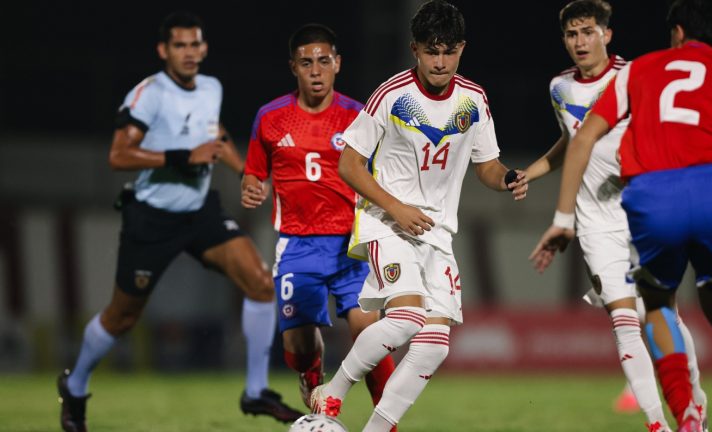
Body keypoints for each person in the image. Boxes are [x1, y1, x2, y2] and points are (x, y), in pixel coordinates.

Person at [56, 11, 303, 432]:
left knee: (262, 283)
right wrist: (180, 157)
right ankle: (75, 385)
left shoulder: (210, 87)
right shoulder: (148, 94)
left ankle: (256, 390)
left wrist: (247, 171)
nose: (189, 53)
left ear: (204, 48)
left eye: (195, 45)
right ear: (164, 51)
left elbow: (215, 134)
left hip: (199, 211)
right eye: (180, 46)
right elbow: (118, 155)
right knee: (122, 317)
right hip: (151, 218)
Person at [531, 0, 712, 430]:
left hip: (648, 202)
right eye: (572, 34)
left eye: (588, 32)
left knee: (659, 310)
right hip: (703, 198)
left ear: (676, 33)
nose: (580, 41)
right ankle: (666, 420)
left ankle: (690, 412)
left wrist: (561, 218)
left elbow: (583, 141)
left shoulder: (639, 71)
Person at [308, 1, 527, 430]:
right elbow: (349, 165)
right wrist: (396, 208)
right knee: (407, 318)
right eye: (431, 51)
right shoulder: (391, 95)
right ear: (415, 49)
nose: (440, 61)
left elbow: (486, 165)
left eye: (448, 51)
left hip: (437, 232)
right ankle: (331, 393)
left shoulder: (474, 100)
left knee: (434, 346)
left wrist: (507, 178)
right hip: (386, 220)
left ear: (461, 49)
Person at [240, 23, 397, 418]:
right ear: (293, 66)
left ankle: (386, 424)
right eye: (306, 62)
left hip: (352, 245)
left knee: (371, 335)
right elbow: (254, 171)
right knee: (300, 347)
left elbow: (382, 172)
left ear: (337, 64)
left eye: (323, 61)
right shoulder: (271, 117)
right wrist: (252, 186)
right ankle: (313, 381)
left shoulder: (358, 115)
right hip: (298, 245)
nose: (315, 70)